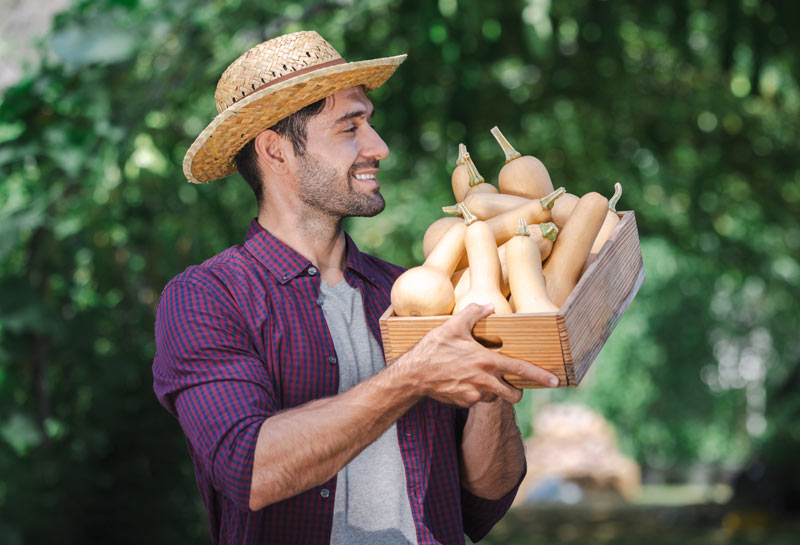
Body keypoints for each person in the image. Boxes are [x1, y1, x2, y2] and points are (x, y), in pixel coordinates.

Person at [153, 30, 559, 545]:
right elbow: (249, 469)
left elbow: (481, 505)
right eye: (351, 127)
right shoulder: (207, 297)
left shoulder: (407, 291)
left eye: (370, 122)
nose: (379, 147)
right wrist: (412, 377)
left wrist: (491, 380)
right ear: (275, 151)